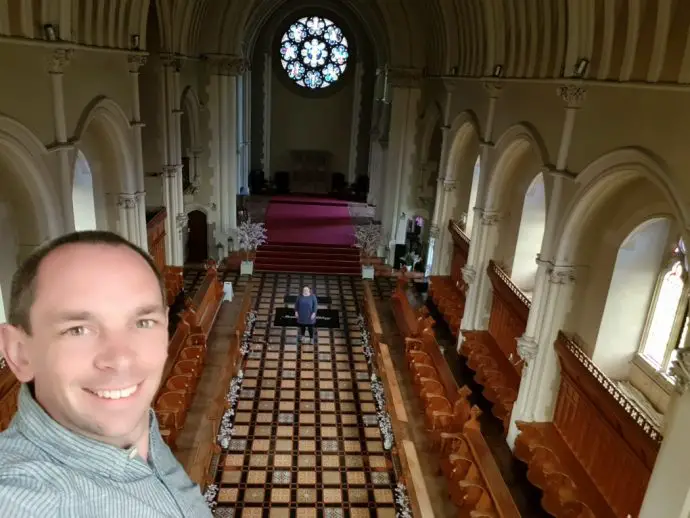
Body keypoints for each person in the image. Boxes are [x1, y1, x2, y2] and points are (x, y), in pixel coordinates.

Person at [0, 231, 212, 518]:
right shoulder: (19, 500)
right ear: (19, 353)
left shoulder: (140, 429)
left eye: (143, 322)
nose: (121, 359)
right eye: (78, 330)